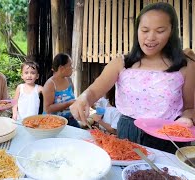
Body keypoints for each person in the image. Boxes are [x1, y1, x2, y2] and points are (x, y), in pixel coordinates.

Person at [70, 2, 195, 153]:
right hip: (127, 133)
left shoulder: (185, 66)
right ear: (137, 31)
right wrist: (83, 98)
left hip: (168, 136)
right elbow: (93, 92)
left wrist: (187, 120)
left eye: (160, 31)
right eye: (144, 30)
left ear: (172, 31)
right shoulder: (121, 63)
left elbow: (190, 108)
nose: (150, 37)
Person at [42, 53, 80, 128]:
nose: (72, 68)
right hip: (53, 122)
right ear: (61, 68)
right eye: (70, 65)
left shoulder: (69, 80)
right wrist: (68, 103)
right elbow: (48, 109)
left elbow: (72, 101)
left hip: (70, 119)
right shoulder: (50, 84)